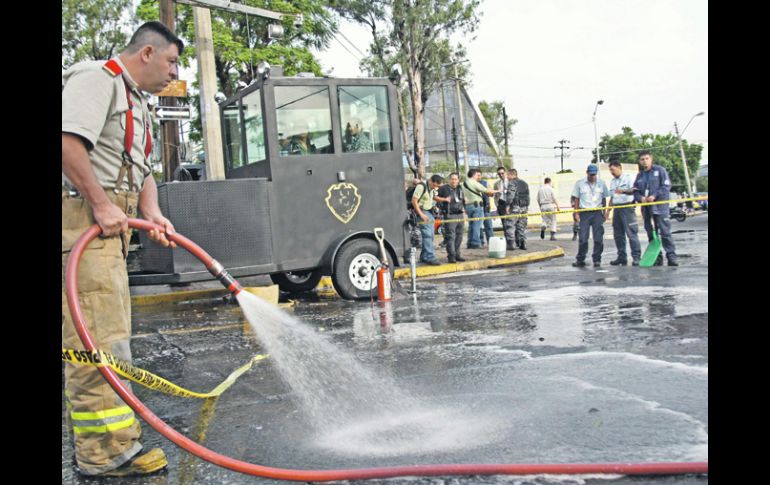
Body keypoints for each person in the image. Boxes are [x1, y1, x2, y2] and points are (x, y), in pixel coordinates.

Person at [62, 21, 182, 476]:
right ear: (147, 53)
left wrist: (150, 210)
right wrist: (100, 201)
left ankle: (111, 447)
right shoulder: (98, 79)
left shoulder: (137, 102)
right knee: (97, 345)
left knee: (109, 339)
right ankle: (102, 456)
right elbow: (67, 142)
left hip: (109, 228)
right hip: (81, 225)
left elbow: (141, 169)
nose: (174, 72)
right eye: (171, 61)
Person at [632, 151, 678, 266]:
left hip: (660, 208)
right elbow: (636, 191)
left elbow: (666, 186)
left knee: (665, 233)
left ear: (651, 159)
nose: (645, 161)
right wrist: (640, 198)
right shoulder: (640, 175)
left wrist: (654, 195)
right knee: (651, 233)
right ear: (639, 161)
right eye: (642, 159)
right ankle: (657, 257)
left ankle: (671, 257)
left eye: (647, 158)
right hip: (647, 209)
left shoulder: (660, 170)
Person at [571, 164, 611, 267]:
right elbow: (576, 199)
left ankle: (597, 259)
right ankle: (580, 259)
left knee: (598, 238)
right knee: (583, 238)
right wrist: (576, 213)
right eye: (591, 175)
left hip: (597, 213)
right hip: (584, 213)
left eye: (594, 175)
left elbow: (604, 198)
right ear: (587, 173)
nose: (593, 177)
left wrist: (604, 212)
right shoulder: (580, 183)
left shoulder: (601, 183)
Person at [608, 160, 642, 266]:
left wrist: (623, 191)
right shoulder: (613, 181)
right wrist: (608, 210)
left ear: (619, 167)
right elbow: (613, 197)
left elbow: (634, 190)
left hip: (627, 207)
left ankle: (636, 257)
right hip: (617, 209)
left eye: (613, 170)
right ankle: (622, 257)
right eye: (610, 171)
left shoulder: (628, 177)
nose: (612, 172)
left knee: (631, 233)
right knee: (618, 235)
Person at [411, 174, 444, 265]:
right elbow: (414, 201)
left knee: (431, 235)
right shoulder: (421, 186)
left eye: (437, 186)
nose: (436, 188)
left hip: (429, 212)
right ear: (430, 181)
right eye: (435, 185)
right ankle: (429, 257)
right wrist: (421, 214)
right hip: (422, 212)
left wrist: (444, 200)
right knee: (427, 235)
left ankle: (424, 256)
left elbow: (433, 197)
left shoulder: (431, 188)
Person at [463, 168, 497, 249]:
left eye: (480, 175)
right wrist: (496, 191)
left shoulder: (464, 183)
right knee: (477, 226)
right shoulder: (474, 183)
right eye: (477, 175)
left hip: (479, 207)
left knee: (474, 226)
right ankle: (476, 243)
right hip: (477, 206)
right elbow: (487, 191)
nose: (479, 176)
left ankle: (471, 243)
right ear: (474, 175)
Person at [436, 172, 466, 263]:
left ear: (458, 180)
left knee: (459, 236)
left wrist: (464, 207)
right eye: (452, 179)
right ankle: (451, 256)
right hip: (450, 215)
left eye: (455, 179)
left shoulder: (460, 188)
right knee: (451, 237)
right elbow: (434, 197)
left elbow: (462, 199)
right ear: (449, 180)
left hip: (460, 214)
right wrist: (444, 200)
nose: (454, 181)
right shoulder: (443, 188)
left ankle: (457, 254)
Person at [500, 169, 530, 250]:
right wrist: (526, 206)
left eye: (507, 175)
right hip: (524, 207)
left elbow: (510, 195)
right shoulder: (525, 183)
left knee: (510, 225)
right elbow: (528, 196)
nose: (507, 177)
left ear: (511, 175)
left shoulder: (512, 183)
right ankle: (522, 243)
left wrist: (507, 205)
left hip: (515, 207)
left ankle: (511, 245)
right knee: (521, 226)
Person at [479, 179, 495, 247]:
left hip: (486, 208)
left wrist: (488, 191)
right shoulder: (470, 184)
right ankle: (480, 243)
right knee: (478, 227)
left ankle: (491, 243)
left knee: (489, 227)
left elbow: (492, 194)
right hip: (477, 208)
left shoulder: (485, 183)